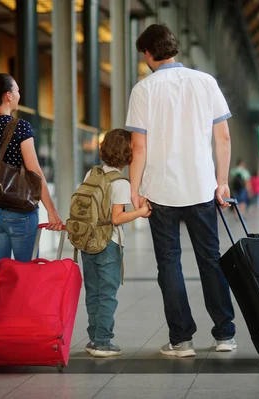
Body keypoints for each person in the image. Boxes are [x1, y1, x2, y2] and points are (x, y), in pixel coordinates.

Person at [126, 24, 236, 357]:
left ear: (148, 53)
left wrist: (134, 189)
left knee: (169, 264)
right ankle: (225, 335)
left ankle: (181, 340)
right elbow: (223, 138)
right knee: (210, 260)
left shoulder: (144, 89)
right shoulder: (206, 82)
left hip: (160, 190)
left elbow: (138, 146)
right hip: (201, 187)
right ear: (173, 48)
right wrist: (222, 181)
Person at [0, 73, 63, 301]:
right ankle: (24, 328)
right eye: (17, 91)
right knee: (27, 273)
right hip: (20, 212)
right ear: (8, 96)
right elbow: (35, 173)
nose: (20, 95)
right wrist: (51, 209)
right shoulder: (20, 127)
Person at [81, 129, 151, 358]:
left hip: (86, 240)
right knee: (107, 294)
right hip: (108, 243)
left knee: (92, 292)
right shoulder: (119, 182)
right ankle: (103, 342)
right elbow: (116, 217)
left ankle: (93, 339)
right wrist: (141, 211)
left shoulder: (91, 173)